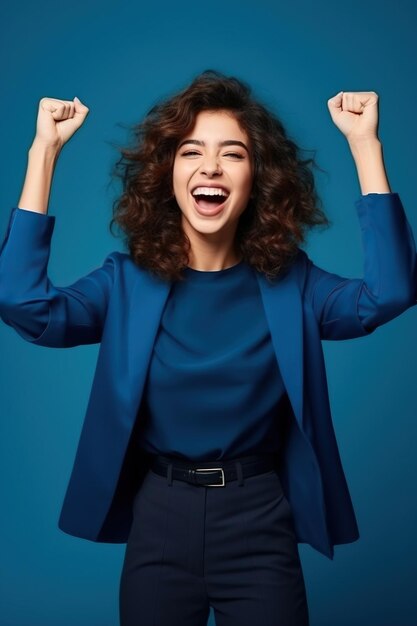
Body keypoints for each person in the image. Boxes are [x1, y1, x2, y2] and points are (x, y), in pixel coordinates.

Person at [0, 70, 416, 626]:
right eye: (190, 151)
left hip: (259, 519)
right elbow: (25, 306)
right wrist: (43, 153)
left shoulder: (294, 284)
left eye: (234, 154)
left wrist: (366, 145)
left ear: (256, 180)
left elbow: (389, 292)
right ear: (167, 175)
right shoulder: (125, 282)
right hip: (161, 520)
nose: (210, 167)